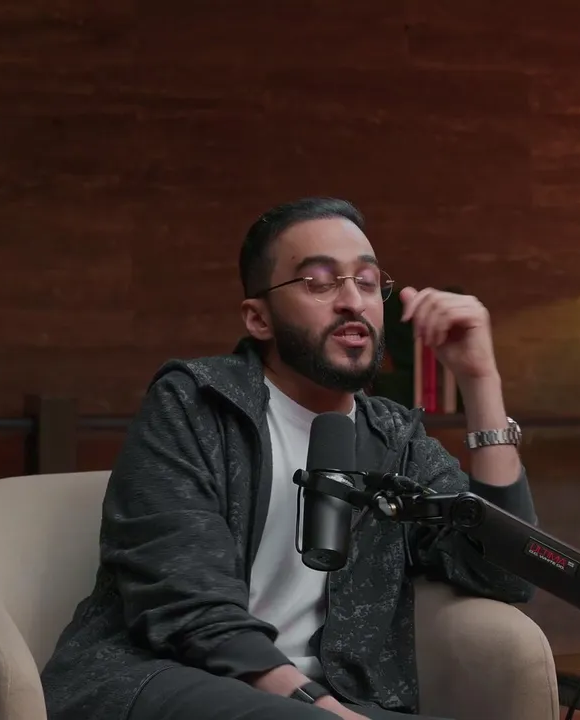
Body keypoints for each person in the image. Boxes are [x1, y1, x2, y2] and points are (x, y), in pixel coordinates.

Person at [40, 197, 539, 720]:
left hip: (332, 701)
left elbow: (506, 573)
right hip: (166, 677)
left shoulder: (396, 439)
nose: (353, 301)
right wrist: (316, 705)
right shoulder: (194, 403)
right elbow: (185, 603)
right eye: (320, 282)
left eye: (368, 281)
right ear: (258, 318)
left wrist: (480, 380)